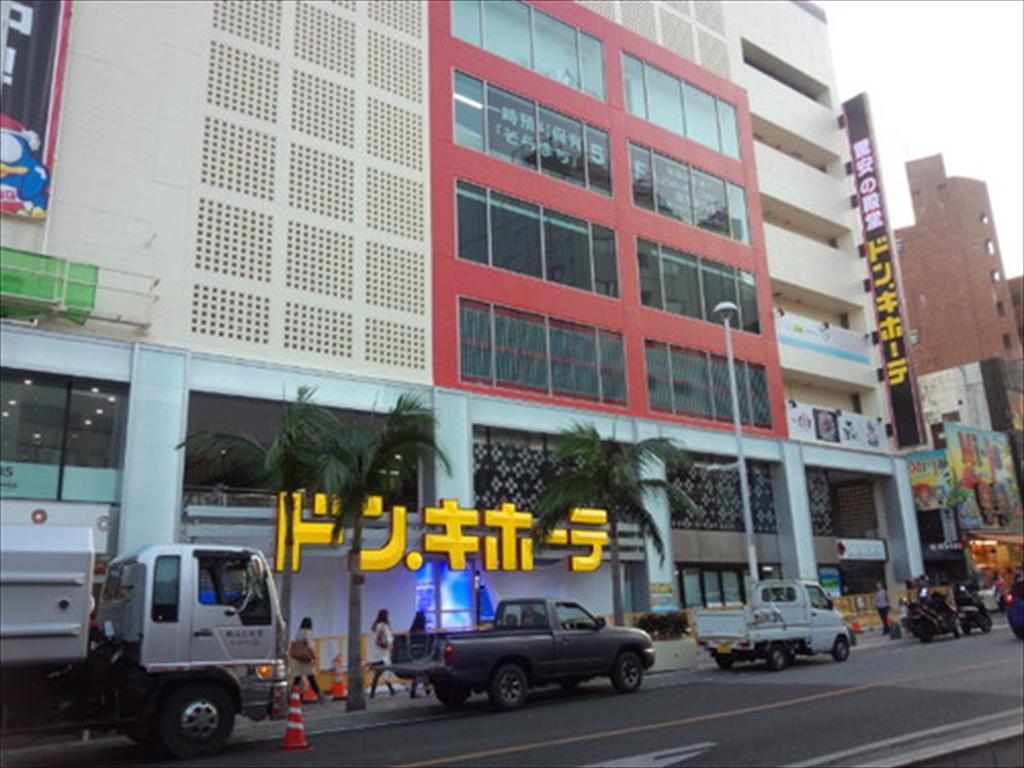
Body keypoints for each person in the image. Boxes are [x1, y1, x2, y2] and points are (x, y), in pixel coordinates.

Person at [290, 617, 327, 703]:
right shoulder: (308, 632)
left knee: (297, 679)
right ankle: (320, 696)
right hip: (305, 659)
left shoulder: (298, 632)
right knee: (311, 678)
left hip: (298, 659)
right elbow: (310, 645)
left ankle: (292, 696)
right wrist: (314, 656)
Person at [369, 609, 396, 698]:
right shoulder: (384, 626)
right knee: (383, 672)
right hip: (383, 653)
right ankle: (373, 693)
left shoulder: (374, 626)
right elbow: (388, 639)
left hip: (374, 654)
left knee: (381, 672)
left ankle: (390, 690)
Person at [407, 611, 433, 699]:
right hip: (422, 654)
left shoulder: (412, 629)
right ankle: (426, 690)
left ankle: (418, 690)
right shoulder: (421, 630)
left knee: (417, 674)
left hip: (413, 654)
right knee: (424, 673)